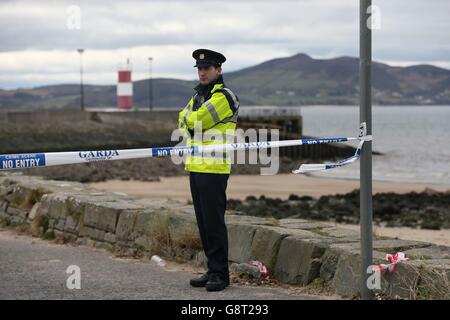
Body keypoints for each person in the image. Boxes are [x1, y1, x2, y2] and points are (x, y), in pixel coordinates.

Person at [178, 49, 239, 292]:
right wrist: (190, 121)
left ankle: (221, 275)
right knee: (203, 223)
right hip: (195, 165)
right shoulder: (198, 95)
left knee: (214, 222)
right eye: (200, 69)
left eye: (207, 68)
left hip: (214, 168)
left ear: (218, 70)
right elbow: (182, 120)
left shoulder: (224, 96)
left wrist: (191, 121)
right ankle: (211, 270)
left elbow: (196, 121)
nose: (202, 72)